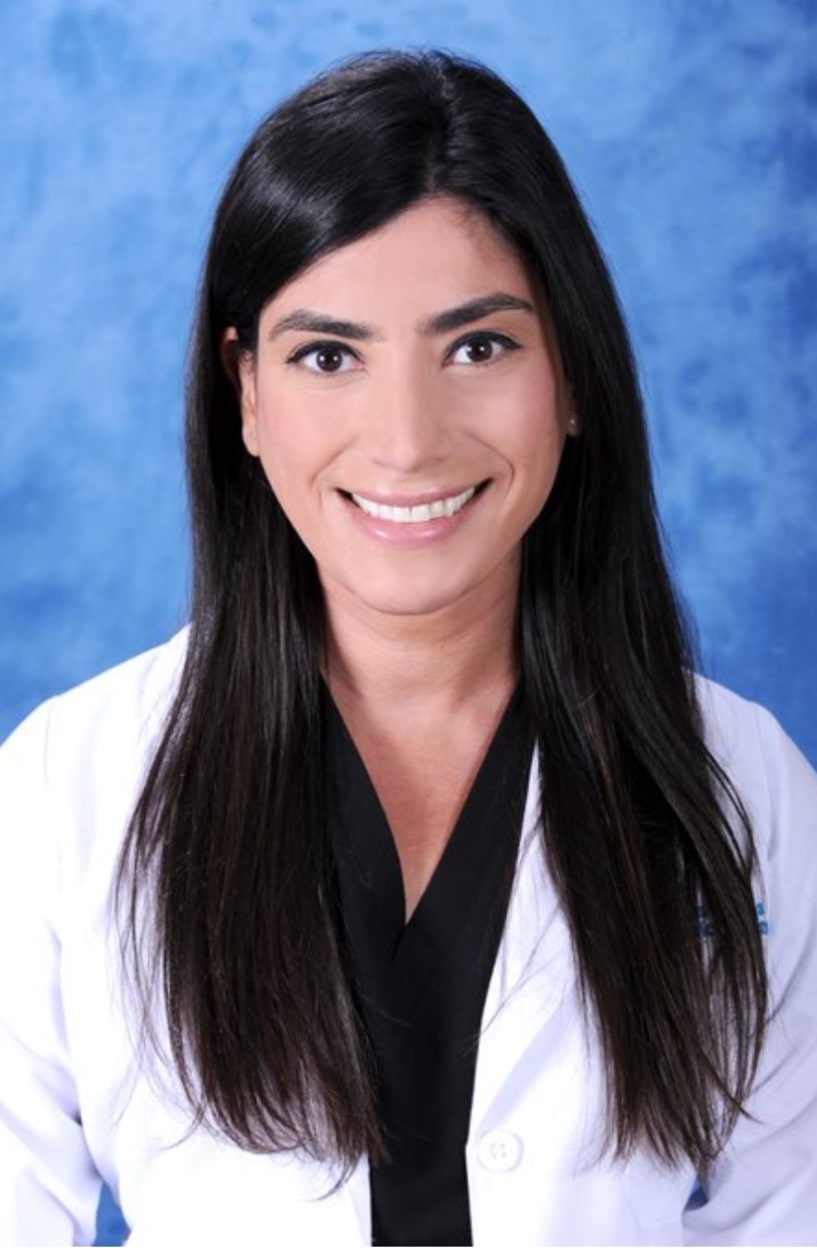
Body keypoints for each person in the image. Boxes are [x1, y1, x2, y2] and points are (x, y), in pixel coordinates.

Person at [1, 49, 815, 1248]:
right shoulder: (64, 785)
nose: (406, 440)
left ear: (573, 376)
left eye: (477, 347)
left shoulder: (742, 785)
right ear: (245, 394)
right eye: (328, 356)